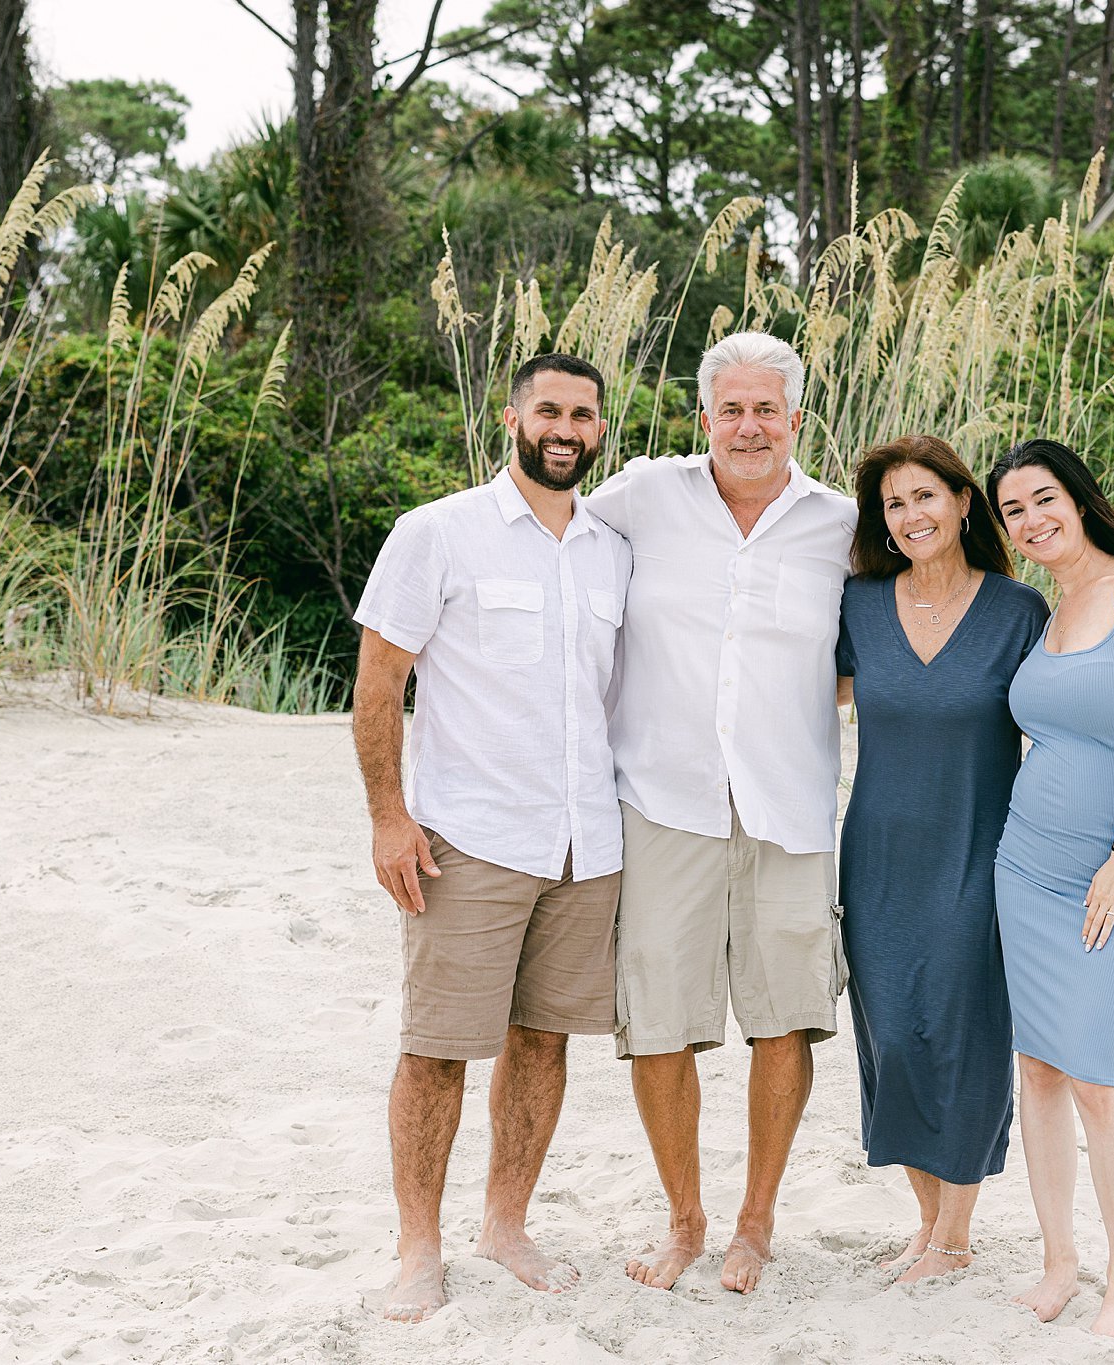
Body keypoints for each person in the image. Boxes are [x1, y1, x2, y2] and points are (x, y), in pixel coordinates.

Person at [350, 354, 631, 1322]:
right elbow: (379, 680)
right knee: (436, 1048)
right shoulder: (437, 534)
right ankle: (417, 1247)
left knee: (543, 1042)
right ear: (510, 418)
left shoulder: (611, 548)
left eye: (582, 415)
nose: (564, 427)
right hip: (464, 838)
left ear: (600, 429)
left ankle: (505, 1224)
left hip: (582, 844)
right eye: (547, 409)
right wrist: (390, 815)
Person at [582, 331, 856, 1295]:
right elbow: (546, 538)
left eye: (767, 409)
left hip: (789, 805)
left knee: (786, 1018)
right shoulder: (643, 496)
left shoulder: (842, 523)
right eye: (731, 409)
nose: (749, 426)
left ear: (794, 420)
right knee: (658, 1020)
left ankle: (755, 1222)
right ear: (705, 419)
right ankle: (686, 1218)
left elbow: (917, 627)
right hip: (663, 799)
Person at [832, 435, 1049, 1283]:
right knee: (893, 1039)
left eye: (927, 496)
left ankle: (956, 1236)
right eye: (895, 503)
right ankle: (927, 1224)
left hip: (980, 854)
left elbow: (1069, 714)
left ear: (966, 504)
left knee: (962, 1034)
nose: (912, 514)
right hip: (878, 856)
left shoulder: (1017, 612)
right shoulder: (859, 606)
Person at [987, 437, 1114, 1341]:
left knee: (1098, 1072)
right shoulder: (1044, 610)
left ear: (1079, 496)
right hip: (1025, 863)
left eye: (1043, 500)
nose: (1032, 521)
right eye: (1013, 512)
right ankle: (1059, 1262)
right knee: (1037, 1064)